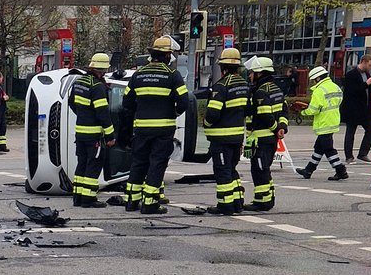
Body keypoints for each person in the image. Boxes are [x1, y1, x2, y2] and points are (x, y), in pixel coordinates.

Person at [122, 36, 188, 215]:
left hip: (141, 128)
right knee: (156, 163)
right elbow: (184, 101)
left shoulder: (138, 74)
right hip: (163, 129)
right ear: (167, 56)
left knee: (138, 162)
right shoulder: (172, 75)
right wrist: (173, 113)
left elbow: (126, 103)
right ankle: (150, 203)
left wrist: (140, 112)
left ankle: (131, 201)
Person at [202, 48, 248, 214]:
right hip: (236, 137)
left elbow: (213, 114)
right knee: (231, 169)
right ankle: (237, 202)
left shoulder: (221, 87)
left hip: (221, 139)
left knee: (222, 172)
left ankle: (225, 205)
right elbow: (248, 111)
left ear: (223, 67)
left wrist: (205, 123)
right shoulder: (244, 86)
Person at [68, 52, 115, 208]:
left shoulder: (79, 82)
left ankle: (78, 197)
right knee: (94, 164)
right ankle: (88, 198)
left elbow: (71, 103)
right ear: (103, 70)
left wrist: (84, 115)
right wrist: (110, 135)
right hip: (94, 135)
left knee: (81, 163)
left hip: (80, 132)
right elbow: (103, 114)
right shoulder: (97, 87)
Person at [243, 56, 288, 212]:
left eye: (252, 73)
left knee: (259, 169)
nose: (250, 76)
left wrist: (276, 128)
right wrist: (282, 127)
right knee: (264, 168)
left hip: (262, 138)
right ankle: (267, 198)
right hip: (270, 139)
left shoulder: (261, 92)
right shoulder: (276, 89)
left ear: (260, 73)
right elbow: (283, 111)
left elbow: (265, 114)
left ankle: (262, 202)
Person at [295, 66, 348, 181]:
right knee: (319, 148)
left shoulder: (319, 90)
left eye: (314, 79)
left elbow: (314, 110)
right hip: (333, 121)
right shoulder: (336, 87)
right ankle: (308, 170)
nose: (313, 82)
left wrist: (302, 112)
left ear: (318, 78)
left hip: (323, 123)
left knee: (328, 149)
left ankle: (341, 170)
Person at [341, 55, 371, 163]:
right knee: (350, 132)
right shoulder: (351, 74)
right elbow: (352, 91)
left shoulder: (366, 74)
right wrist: (367, 83)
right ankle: (349, 156)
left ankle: (363, 153)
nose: (370, 67)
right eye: (369, 65)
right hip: (353, 109)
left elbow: (365, 90)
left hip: (365, 109)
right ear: (363, 62)